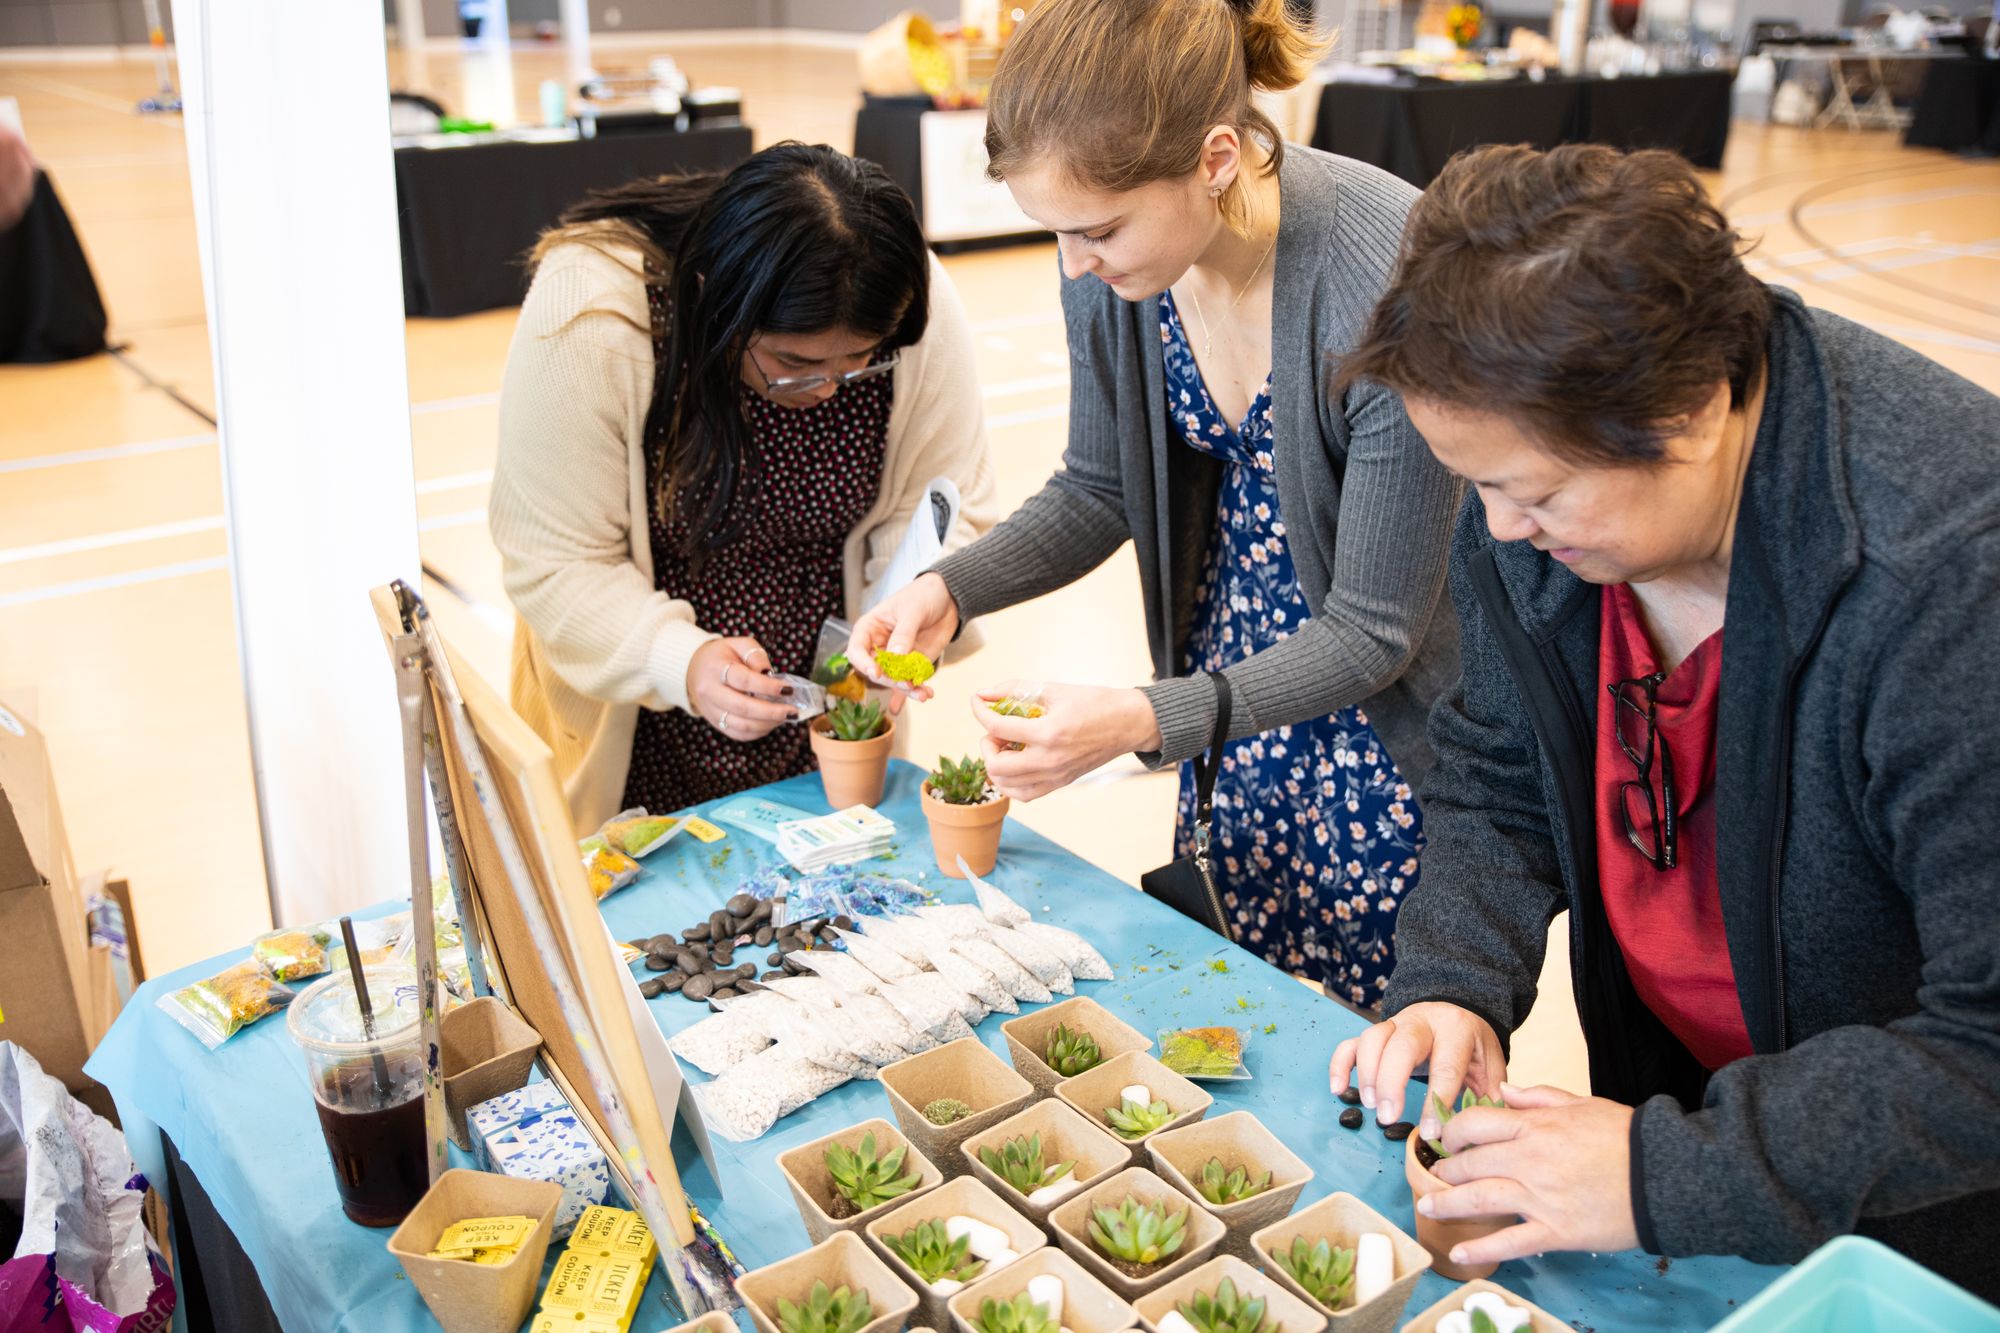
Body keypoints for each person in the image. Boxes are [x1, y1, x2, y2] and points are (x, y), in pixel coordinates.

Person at [1330, 144, 2000, 1295]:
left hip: (1920, 1222)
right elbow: (1496, 771)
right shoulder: (1542, 490)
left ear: (1685, 410)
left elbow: (1983, 1051)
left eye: (1533, 493)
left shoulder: (1944, 574)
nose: (1495, 533)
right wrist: (1449, 978)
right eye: (1474, 486)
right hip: (1683, 1102)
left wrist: (1661, 1172)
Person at [848, 0, 1464, 1008]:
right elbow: (1098, 485)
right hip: (1226, 701)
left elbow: (1373, 632)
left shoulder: (1384, 273)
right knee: (1232, 1007)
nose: (1072, 265)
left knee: (1376, 1054)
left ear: (1214, 158)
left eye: (1094, 230)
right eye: (1053, 232)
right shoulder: (1120, 268)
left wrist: (1143, 718)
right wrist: (949, 589)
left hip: (1382, 732)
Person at [492, 143, 998, 830]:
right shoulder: (591, 313)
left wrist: (903, 629)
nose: (825, 389)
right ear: (711, 296)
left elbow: (942, 509)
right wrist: (683, 661)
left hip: (825, 732)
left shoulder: (909, 304)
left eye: (858, 364)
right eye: (793, 362)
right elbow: (555, 560)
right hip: (635, 726)